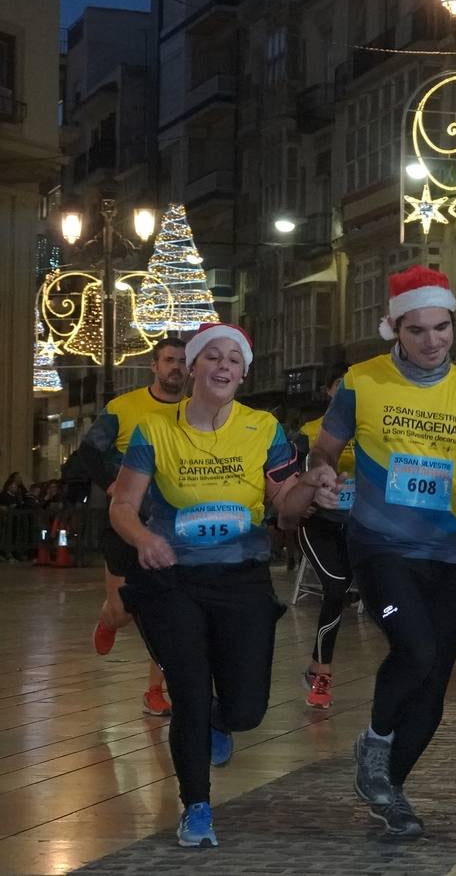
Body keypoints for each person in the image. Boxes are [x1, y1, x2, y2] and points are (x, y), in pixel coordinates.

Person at [305, 265, 456, 839]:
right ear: (395, 331)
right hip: (379, 545)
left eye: (442, 328)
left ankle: (391, 788)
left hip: (446, 553)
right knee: (416, 648)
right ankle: (376, 743)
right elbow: (323, 451)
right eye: (418, 330)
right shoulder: (361, 382)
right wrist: (323, 476)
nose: (432, 340)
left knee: (434, 682)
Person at [109, 324, 328, 848]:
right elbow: (122, 506)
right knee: (187, 690)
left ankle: (219, 718)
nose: (224, 366)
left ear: (243, 373)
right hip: (172, 580)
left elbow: (285, 506)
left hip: (242, 580)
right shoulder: (154, 431)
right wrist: (143, 539)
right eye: (212, 357)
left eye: (234, 359)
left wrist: (311, 489)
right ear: (192, 367)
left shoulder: (263, 428)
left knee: (247, 710)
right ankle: (198, 807)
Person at [68, 337, 187, 717]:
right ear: (154, 365)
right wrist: (111, 483)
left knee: (166, 612)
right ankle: (108, 619)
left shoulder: (195, 411)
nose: (176, 367)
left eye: (183, 361)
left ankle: (156, 689)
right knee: (125, 611)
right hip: (126, 523)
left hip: (172, 528)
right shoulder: (123, 408)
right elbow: (87, 453)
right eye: (169, 360)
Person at [294, 367, 358, 710]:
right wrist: (298, 497)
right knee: (335, 587)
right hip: (319, 523)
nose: (348, 388)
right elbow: (286, 472)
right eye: (341, 383)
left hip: (361, 525)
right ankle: (322, 673)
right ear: (329, 390)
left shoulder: (372, 427)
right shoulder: (308, 432)